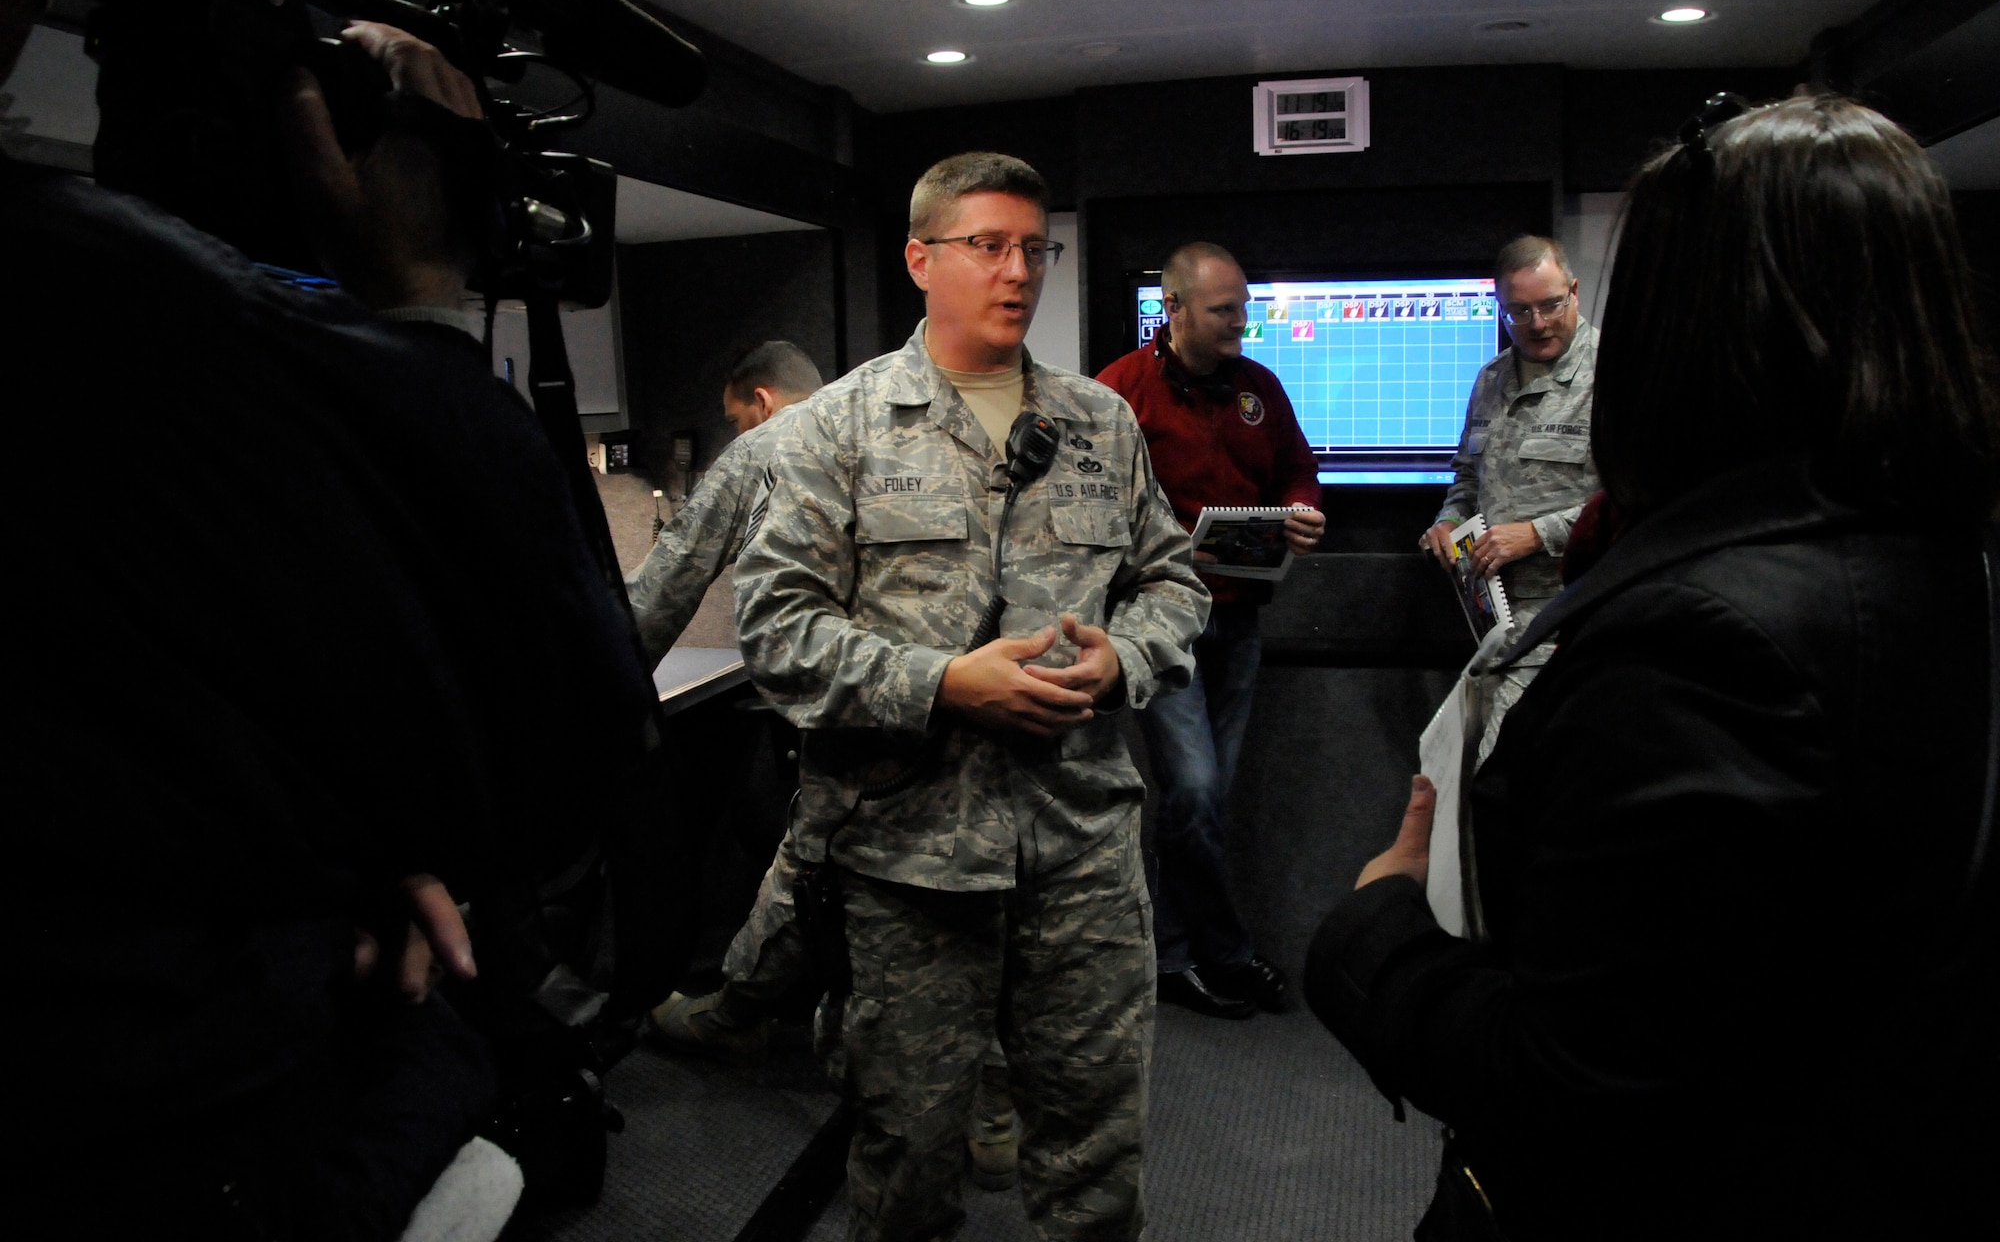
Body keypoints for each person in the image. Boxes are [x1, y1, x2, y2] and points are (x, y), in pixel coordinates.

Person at [9, 0, 663, 1237]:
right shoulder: (103, 300)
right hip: (155, 1126)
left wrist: (328, 848)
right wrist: (420, 291)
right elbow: (556, 757)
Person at [1306, 94, 2000, 1240]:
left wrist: (1373, 929)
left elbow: (1581, 1083)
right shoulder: (1940, 555)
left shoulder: (1699, 644)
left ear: (1682, 318)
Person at [733, 151, 1208, 1241]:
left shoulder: (1099, 421)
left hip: (1081, 846)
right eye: (984, 244)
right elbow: (777, 631)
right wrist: (941, 682)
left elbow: (1172, 582)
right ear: (919, 257)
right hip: (906, 862)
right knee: (907, 1156)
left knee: (1094, 1154)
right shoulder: (836, 428)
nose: (1016, 271)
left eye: (1031, 248)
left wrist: (1122, 661)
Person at [1097, 242, 1324, 1019]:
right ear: (1177, 311)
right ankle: (1226, 953)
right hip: (1163, 627)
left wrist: (1300, 508)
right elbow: (1091, 506)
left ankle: (1169, 956)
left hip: (1241, 618)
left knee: (1205, 802)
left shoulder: (1259, 389)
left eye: (1244, 306)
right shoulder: (1118, 394)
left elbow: (1297, 468)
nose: (1242, 324)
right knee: (1193, 790)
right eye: (1225, 310)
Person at [1418, 236, 1600, 760]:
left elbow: (1640, 498)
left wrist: (1537, 534)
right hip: (1493, 625)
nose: (1537, 323)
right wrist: (1449, 521)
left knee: (1496, 775)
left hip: (1573, 617)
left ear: (1575, 292)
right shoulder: (1492, 378)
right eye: (1519, 311)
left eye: (1550, 306)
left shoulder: (1619, 375)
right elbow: (1467, 478)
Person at [626, 339, 823, 663]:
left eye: (735, 421)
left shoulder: (757, 450)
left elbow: (674, 573)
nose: (737, 435)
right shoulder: (866, 428)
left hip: (815, 681)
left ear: (763, 401)